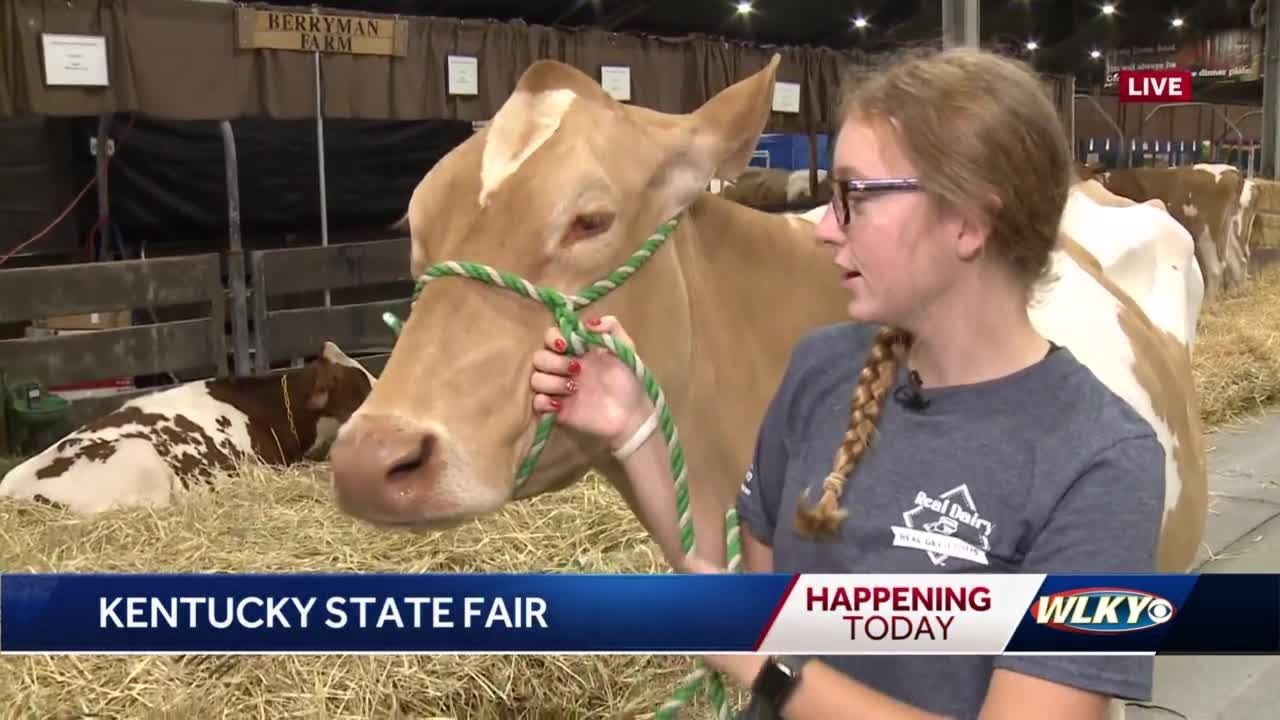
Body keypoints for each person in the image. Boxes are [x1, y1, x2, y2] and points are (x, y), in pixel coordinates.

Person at [527, 47, 1165, 720]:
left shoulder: (1101, 462)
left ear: (971, 222)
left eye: (854, 196)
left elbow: (756, 645)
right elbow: (744, 598)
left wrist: (772, 672)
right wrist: (633, 430)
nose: (826, 229)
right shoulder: (822, 369)